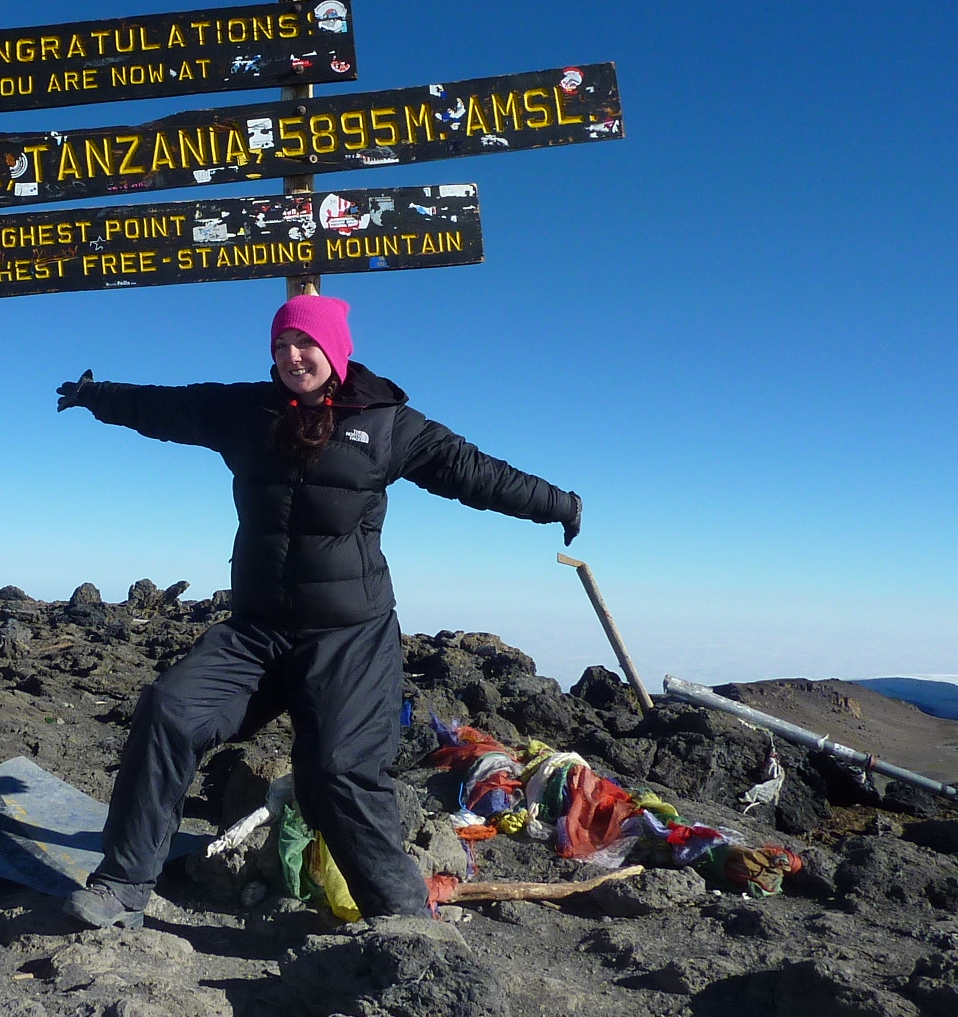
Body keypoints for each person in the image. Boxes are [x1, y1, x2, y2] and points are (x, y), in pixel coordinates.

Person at [53, 294, 582, 929]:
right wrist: (97, 395)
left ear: (335, 349)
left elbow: (472, 472)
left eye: (304, 345)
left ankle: (402, 917)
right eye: (280, 347)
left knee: (337, 769)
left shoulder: (387, 423)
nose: (292, 357)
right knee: (168, 710)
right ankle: (122, 884)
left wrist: (557, 504)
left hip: (348, 635)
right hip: (256, 630)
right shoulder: (248, 410)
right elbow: (170, 406)